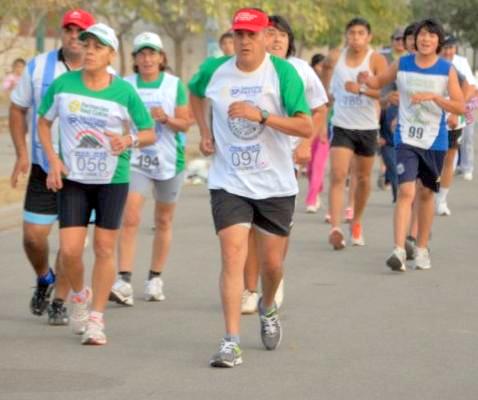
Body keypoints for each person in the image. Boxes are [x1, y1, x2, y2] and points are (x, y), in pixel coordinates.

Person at [189, 8, 312, 367]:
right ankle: (231, 341)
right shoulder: (214, 70)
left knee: (272, 265)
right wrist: (205, 131)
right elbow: (194, 93)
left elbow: (305, 126)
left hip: (275, 183)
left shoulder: (282, 73)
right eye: (239, 34)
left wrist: (262, 116)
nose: (244, 41)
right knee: (232, 256)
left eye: (252, 35)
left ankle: (267, 305)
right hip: (229, 181)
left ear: (265, 37)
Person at [37, 23, 155, 345]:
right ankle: (79, 295)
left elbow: (148, 132)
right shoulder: (63, 85)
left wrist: (128, 140)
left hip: (112, 179)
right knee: (70, 251)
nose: (89, 51)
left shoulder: (124, 92)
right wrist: (53, 159)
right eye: (86, 44)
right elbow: (43, 123)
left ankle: (96, 320)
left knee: (103, 248)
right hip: (73, 178)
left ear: (111, 55)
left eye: (97, 47)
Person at [9, 9, 95, 325]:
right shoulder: (38, 67)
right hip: (43, 168)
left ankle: (59, 301)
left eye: (80, 31)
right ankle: (44, 277)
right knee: (33, 237)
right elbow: (17, 109)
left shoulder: (102, 70)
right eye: (69, 29)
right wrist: (21, 153)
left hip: (84, 172)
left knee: (71, 245)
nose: (74, 36)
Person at [358, 18, 465, 271]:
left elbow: (460, 106)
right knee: (406, 192)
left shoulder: (446, 69)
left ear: (438, 41)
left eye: (431, 35)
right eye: (422, 35)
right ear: (414, 40)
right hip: (406, 137)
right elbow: (379, 82)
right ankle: (398, 249)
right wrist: (366, 79)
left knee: (426, 194)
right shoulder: (403, 63)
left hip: (434, 140)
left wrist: (435, 98)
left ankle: (421, 247)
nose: (426, 39)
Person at [240, 14, 327, 315]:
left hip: (284, 159)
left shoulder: (300, 70)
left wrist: (305, 143)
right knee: (248, 228)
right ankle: (249, 290)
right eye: (270, 33)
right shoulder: (246, 69)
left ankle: (273, 280)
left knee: (276, 229)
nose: (276, 39)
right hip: (249, 159)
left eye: (282, 35)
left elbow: (319, 109)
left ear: (290, 41)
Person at [110, 32, 191, 306]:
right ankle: (123, 280)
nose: (147, 59)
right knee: (130, 215)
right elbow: (118, 120)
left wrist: (166, 119)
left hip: (169, 160)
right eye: (142, 54)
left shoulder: (173, 85)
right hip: (136, 158)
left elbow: (185, 123)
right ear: (135, 59)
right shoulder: (126, 84)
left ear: (161, 57)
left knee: (163, 220)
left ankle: (155, 278)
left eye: (152, 53)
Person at [328, 17, 387, 250]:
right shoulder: (337, 57)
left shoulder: (376, 59)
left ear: (369, 37)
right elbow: (325, 79)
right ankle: (335, 228)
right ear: (346, 35)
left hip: (367, 127)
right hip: (342, 125)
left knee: (362, 179)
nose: (356, 37)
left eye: (361, 33)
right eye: (352, 33)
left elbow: (385, 92)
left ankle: (357, 221)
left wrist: (362, 88)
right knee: (338, 174)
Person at [436, 34, 475, 216]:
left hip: (453, 119)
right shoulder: (432, 62)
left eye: (451, 48)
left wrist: (456, 110)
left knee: (449, 158)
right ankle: (427, 192)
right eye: (445, 48)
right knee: (434, 158)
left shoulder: (460, 63)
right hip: (431, 119)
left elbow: (471, 87)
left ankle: (441, 200)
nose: (448, 52)